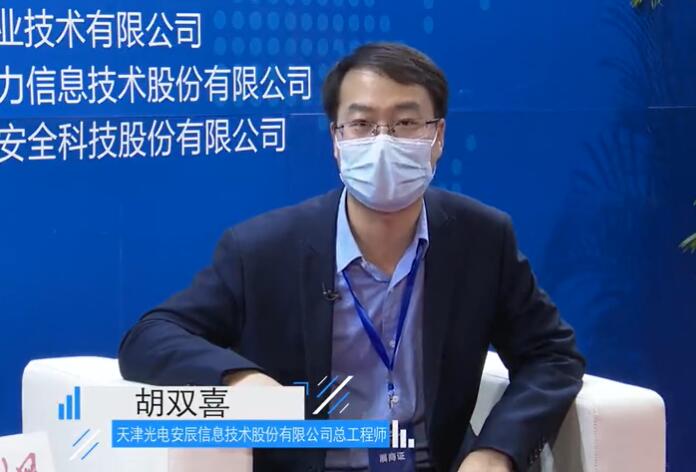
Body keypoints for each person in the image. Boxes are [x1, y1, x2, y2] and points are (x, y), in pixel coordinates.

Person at [119, 42, 585, 472]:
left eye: (405, 123)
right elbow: (149, 337)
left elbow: (551, 355)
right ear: (336, 141)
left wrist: (496, 451)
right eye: (362, 124)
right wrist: (238, 379)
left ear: (438, 137)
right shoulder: (262, 250)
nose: (383, 142)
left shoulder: (481, 238)